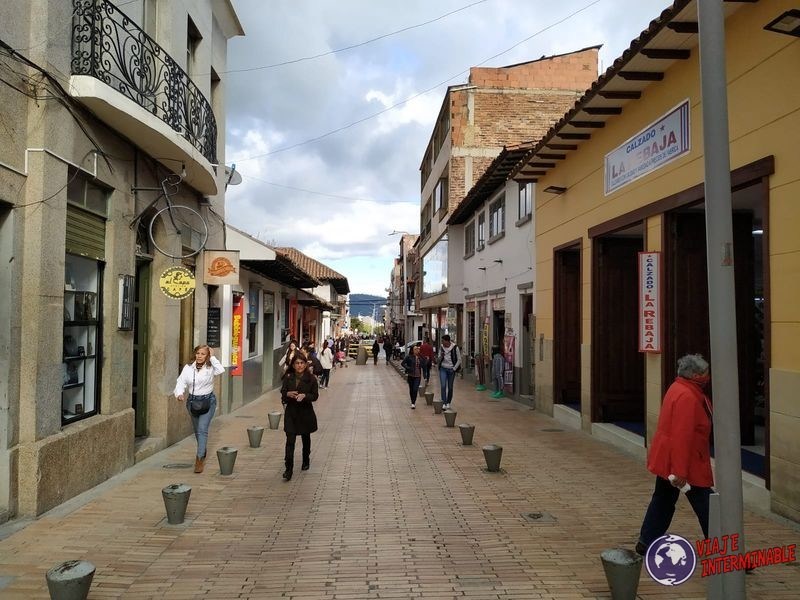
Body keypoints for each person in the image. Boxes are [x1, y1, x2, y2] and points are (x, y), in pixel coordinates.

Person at [636, 354, 713, 555]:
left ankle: (646, 541)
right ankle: (726, 550)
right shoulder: (688, 396)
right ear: (695, 375)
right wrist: (680, 471)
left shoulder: (678, 388)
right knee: (708, 507)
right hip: (686, 463)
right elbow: (682, 436)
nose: (708, 376)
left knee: (662, 500)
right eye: (705, 373)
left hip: (669, 460)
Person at [173, 344, 225, 473]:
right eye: (198, 353)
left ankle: (199, 458)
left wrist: (212, 357)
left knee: (202, 429)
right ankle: (202, 448)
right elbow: (181, 382)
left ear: (207, 355)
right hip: (192, 402)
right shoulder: (188, 368)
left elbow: (221, 370)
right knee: (197, 431)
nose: (200, 356)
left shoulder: (211, 367)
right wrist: (179, 393)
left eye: (203, 354)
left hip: (208, 401)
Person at [280, 354, 319, 481]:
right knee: (290, 441)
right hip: (291, 413)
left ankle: (305, 459)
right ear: (293, 365)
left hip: (305, 413)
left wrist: (305, 396)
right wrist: (288, 394)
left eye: (302, 363)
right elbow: (283, 395)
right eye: (297, 363)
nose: (299, 365)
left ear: (305, 364)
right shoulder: (288, 377)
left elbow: (315, 395)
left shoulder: (311, 378)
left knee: (305, 438)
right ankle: (288, 469)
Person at [437, 335, 461, 409]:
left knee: (450, 387)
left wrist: (454, 369)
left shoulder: (455, 347)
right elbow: (438, 359)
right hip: (443, 368)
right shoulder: (441, 347)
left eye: (443, 341)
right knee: (443, 386)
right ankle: (444, 402)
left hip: (451, 369)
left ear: (447, 341)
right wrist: (441, 356)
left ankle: (448, 402)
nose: (442, 342)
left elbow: (459, 359)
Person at [401, 344, 424, 409]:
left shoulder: (419, 357)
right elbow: (402, 363)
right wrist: (408, 368)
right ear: (412, 350)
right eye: (415, 349)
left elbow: (424, 364)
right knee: (411, 390)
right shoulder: (409, 357)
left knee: (415, 389)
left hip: (418, 376)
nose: (417, 350)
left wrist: (421, 356)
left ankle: (413, 402)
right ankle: (412, 402)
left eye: (418, 349)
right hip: (411, 375)